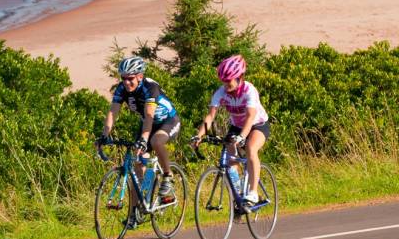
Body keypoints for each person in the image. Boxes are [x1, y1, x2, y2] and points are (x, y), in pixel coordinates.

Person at [98, 56, 181, 226]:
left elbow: (149, 116)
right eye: (123, 78)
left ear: (140, 76)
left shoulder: (150, 88)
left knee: (156, 142)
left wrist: (144, 140)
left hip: (167, 121)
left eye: (130, 78)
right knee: (136, 168)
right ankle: (135, 213)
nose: (126, 82)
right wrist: (104, 135)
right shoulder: (122, 89)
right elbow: (113, 112)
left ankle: (168, 176)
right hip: (146, 124)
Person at [190, 54, 270, 209]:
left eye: (229, 81)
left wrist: (242, 137)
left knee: (251, 148)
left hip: (257, 125)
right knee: (229, 159)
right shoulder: (221, 92)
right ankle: (239, 197)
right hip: (237, 126)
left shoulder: (249, 90)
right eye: (223, 81)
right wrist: (199, 136)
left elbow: (250, 117)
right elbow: (210, 116)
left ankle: (253, 192)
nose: (226, 85)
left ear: (239, 77)